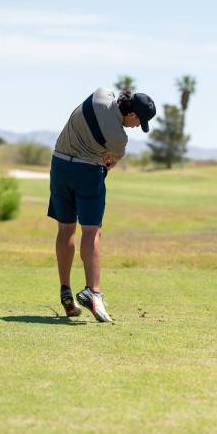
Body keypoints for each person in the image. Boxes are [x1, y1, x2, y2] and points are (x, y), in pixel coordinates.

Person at [48, 87, 156, 322]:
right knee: (91, 231)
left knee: (65, 228)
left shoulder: (101, 93)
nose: (137, 126)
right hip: (87, 172)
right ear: (133, 115)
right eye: (140, 122)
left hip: (59, 165)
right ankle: (93, 292)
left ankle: (65, 291)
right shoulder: (120, 139)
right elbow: (110, 161)